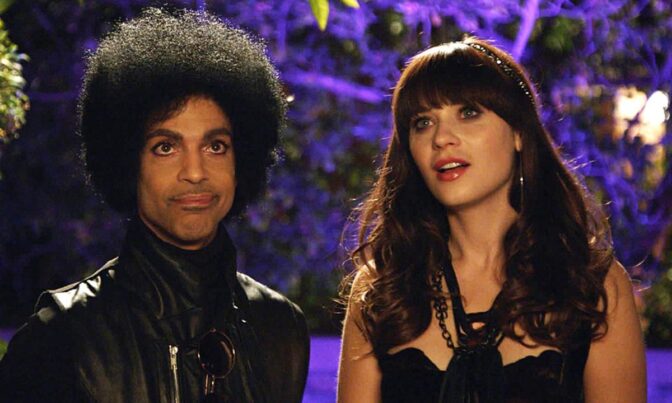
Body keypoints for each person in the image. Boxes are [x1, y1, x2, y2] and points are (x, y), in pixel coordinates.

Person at [0, 8, 309, 402]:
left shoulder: (281, 329)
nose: (195, 172)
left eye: (215, 146)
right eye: (166, 147)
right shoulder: (62, 336)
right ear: (128, 163)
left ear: (242, 161)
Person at [337, 38, 646, 403]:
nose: (441, 138)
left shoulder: (591, 285)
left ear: (519, 133)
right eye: (423, 122)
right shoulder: (382, 288)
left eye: (468, 112)